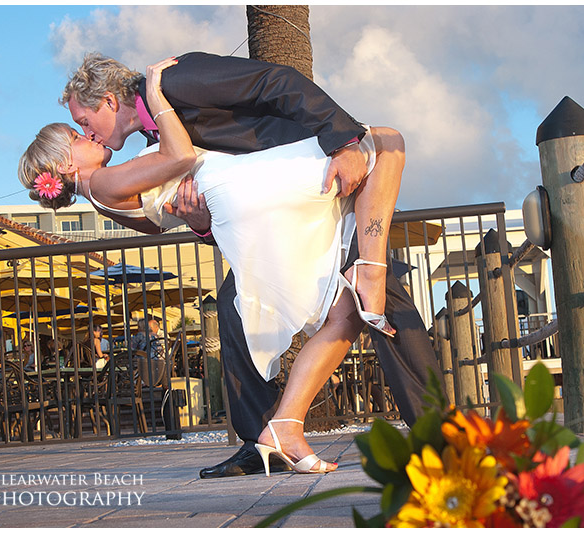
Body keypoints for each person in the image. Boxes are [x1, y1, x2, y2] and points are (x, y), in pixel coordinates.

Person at [56, 52, 442, 477]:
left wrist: (343, 143)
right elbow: (200, 195)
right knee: (233, 306)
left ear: (109, 101)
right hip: (272, 212)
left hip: (312, 177)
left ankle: (436, 433)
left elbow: (275, 80)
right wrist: (200, 223)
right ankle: (262, 439)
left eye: (84, 120)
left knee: (380, 296)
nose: (84, 131)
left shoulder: (177, 80)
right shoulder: (154, 144)